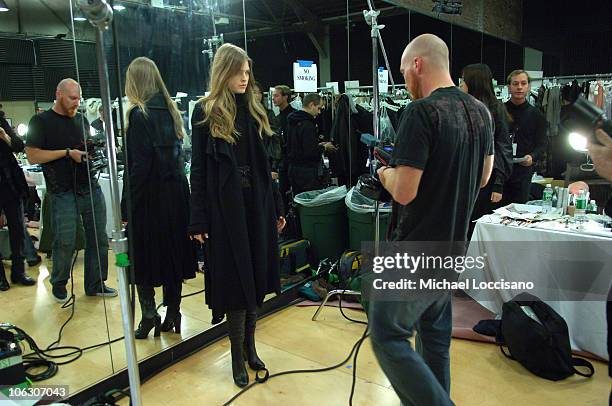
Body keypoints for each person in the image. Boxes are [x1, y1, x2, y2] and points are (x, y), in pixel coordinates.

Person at [372, 34, 494, 405]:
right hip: (452, 247)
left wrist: (383, 174)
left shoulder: (421, 113)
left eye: (405, 70)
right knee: (434, 341)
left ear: (418, 65)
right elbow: (485, 176)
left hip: (415, 252)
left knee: (388, 336)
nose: (404, 79)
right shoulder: (481, 112)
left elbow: (405, 191)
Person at [189, 43, 285, 388]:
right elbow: (197, 171)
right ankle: (235, 354)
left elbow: (266, 169)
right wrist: (197, 219)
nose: (244, 78)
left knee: (256, 274)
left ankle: (250, 346)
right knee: (234, 281)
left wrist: (276, 206)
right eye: (238, 71)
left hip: (257, 207)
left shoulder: (255, 110)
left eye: (247, 72)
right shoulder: (205, 113)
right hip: (223, 211)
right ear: (223, 71)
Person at [121, 57, 198, 339]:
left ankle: (149, 314)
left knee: (142, 258)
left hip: (150, 201)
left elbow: (138, 169)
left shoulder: (138, 115)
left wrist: (125, 205)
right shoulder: (171, 112)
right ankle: (174, 313)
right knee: (172, 258)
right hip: (177, 198)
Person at [25, 78, 116, 303]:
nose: (77, 103)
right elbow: (33, 155)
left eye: (79, 98)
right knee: (65, 240)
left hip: (88, 186)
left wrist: (90, 152)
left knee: (99, 239)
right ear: (59, 94)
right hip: (62, 190)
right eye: (72, 98)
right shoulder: (40, 121)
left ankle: (95, 283)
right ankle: (59, 282)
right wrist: (66, 153)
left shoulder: (82, 120)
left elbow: (84, 148)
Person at [459, 64, 512, 238]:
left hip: (486, 181)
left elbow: (502, 147)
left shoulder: (495, 110)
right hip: (464, 179)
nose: (460, 85)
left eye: (463, 81)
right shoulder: (463, 108)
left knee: (478, 229)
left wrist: (498, 183)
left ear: (473, 83)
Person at [0, 117, 36, 291]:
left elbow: (18, 145)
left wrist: (5, 136)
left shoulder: (1, 119)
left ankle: (18, 271)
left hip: (9, 182)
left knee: (17, 229)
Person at [503, 70, 547, 204]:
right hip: (501, 171)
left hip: (523, 172)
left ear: (528, 86)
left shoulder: (536, 115)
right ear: (509, 87)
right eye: (515, 84)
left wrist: (532, 156)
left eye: (523, 83)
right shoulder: (499, 111)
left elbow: (543, 144)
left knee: (519, 212)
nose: (519, 87)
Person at [286, 93, 336, 194]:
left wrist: (318, 145)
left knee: (298, 202)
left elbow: (297, 145)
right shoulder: (307, 125)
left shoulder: (292, 121)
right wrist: (324, 147)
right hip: (307, 173)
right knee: (310, 204)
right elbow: (310, 152)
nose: (319, 112)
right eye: (318, 108)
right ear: (311, 105)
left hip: (293, 169)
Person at [272, 85, 295, 210]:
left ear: (285, 97)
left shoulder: (293, 117)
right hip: (282, 162)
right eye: (273, 96)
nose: (273, 98)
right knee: (282, 193)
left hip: (292, 161)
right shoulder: (277, 118)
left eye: (276, 95)